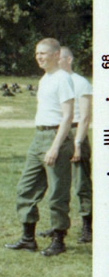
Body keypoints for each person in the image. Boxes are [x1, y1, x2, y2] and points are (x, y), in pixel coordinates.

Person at [5, 38, 74, 257]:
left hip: (56, 137)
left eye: (43, 53)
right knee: (25, 187)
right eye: (36, 54)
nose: (39, 57)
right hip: (39, 136)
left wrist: (54, 147)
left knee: (57, 192)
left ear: (56, 55)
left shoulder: (63, 79)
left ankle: (58, 240)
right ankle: (28, 239)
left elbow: (68, 116)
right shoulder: (45, 79)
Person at [39, 46, 91, 243]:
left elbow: (85, 117)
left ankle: (87, 226)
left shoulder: (81, 82)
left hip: (77, 133)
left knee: (81, 184)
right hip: (61, 134)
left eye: (58, 57)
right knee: (59, 183)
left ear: (68, 59)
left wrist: (78, 143)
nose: (54, 60)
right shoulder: (53, 79)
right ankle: (57, 226)